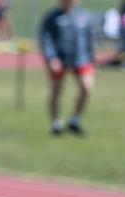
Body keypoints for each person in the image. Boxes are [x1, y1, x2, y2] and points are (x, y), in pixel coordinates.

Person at [38, 0, 94, 136]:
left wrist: (92, 59)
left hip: (81, 59)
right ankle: (56, 123)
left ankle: (75, 120)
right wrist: (51, 58)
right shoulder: (52, 17)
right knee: (56, 90)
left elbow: (89, 39)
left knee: (87, 88)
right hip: (59, 59)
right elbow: (46, 38)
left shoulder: (84, 16)